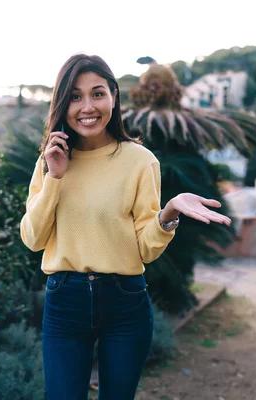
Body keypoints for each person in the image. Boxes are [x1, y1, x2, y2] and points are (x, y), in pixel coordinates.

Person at [20, 54, 231, 400]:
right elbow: (33, 238)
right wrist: (55, 178)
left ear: (114, 96)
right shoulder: (51, 159)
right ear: (62, 102)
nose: (87, 106)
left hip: (125, 304)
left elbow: (146, 248)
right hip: (65, 302)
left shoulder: (140, 160)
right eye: (75, 96)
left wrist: (168, 213)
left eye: (97, 93)